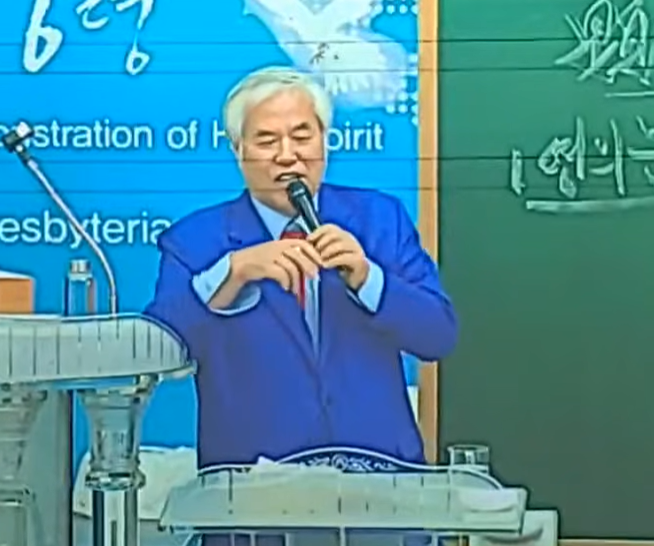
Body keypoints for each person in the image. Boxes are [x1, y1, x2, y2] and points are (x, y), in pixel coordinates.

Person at [145, 66, 458, 545]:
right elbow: (158, 349)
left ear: (325, 142)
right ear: (238, 150)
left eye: (301, 135)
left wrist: (368, 278)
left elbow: (438, 335)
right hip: (252, 507)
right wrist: (231, 273)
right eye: (267, 140)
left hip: (380, 495)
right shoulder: (196, 241)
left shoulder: (379, 219)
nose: (287, 155)